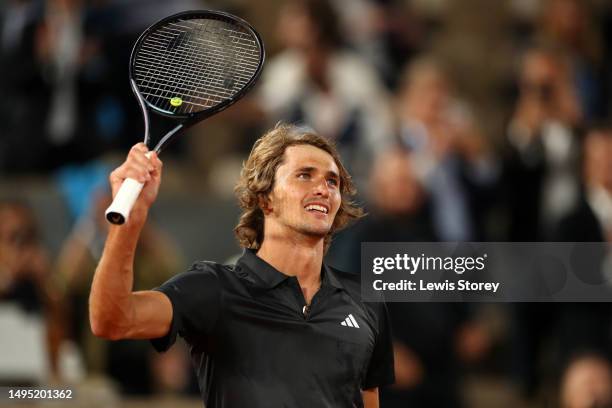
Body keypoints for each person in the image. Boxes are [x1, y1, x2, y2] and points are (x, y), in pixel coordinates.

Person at [89, 123, 395, 407]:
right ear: (265, 198)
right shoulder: (214, 288)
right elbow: (112, 320)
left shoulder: (364, 300)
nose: (324, 189)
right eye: (304, 175)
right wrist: (130, 222)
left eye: (332, 181)